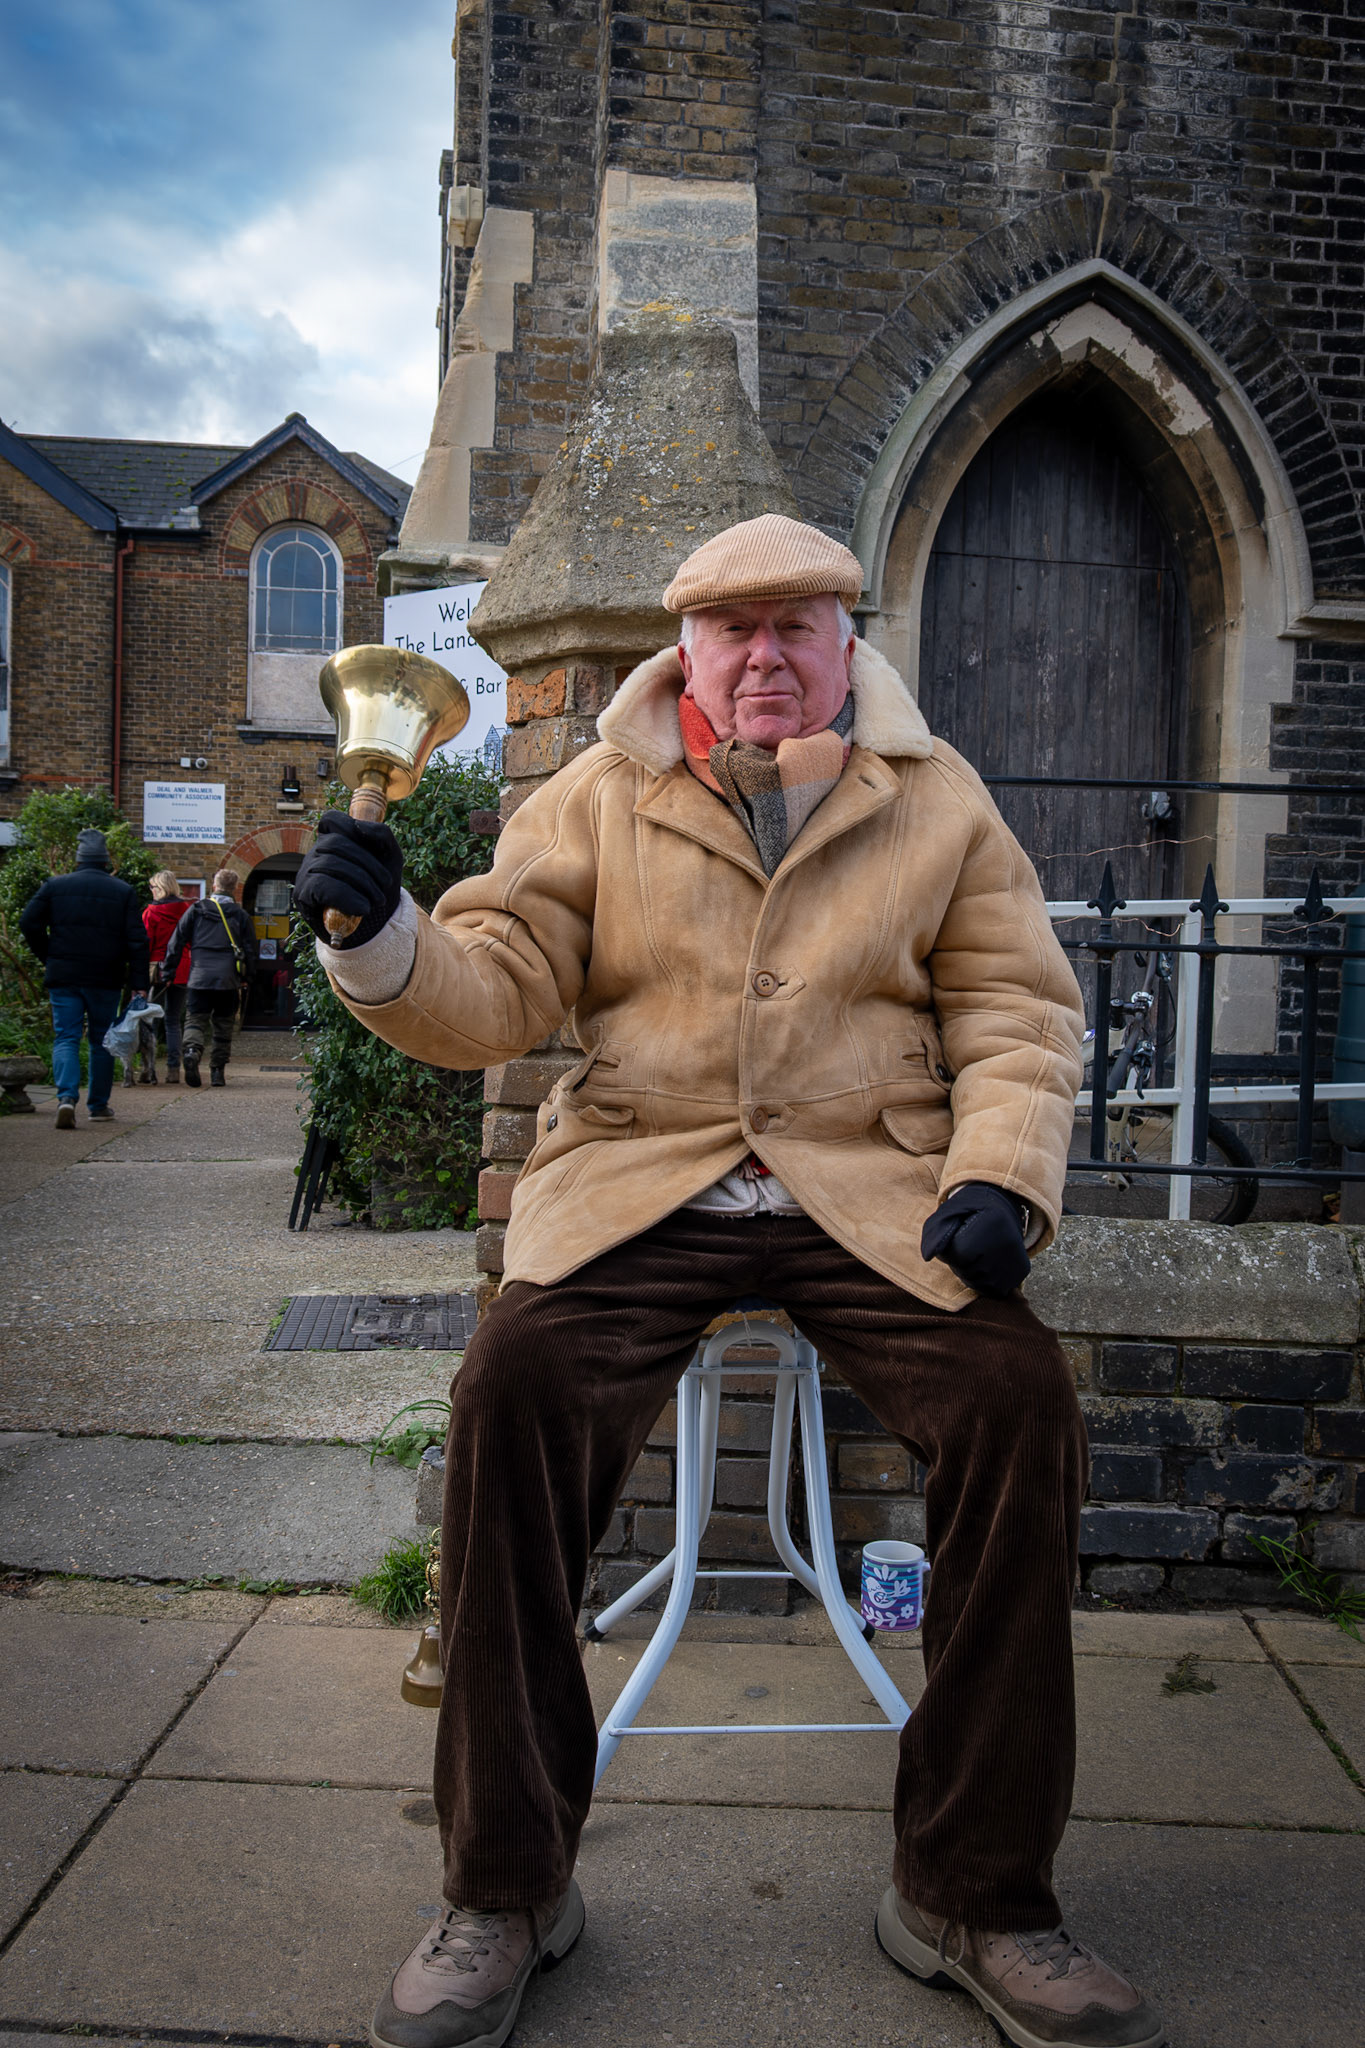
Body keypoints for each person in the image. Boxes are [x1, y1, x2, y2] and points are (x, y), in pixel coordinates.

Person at [294, 514, 1163, 2048]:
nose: (764, 656)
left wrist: (1000, 1179)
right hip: (644, 1175)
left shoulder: (940, 798)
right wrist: (380, 939)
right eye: (731, 630)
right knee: (509, 1391)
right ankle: (505, 1884)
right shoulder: (596, 793)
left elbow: (1019, 1012)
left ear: (846, 643)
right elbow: (495, 990)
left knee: (1019, 1403)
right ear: (681, 649)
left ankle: (975, 1890)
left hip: (874, 1188)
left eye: (795, 628)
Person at [20, 827, 150, 1128]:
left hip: (64, 975)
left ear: (78, 859)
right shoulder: (122, 891)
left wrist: (48, 955)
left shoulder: (55, 886)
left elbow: (29, 923)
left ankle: (66, 1098)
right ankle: (98, 1106)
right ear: (106, 860)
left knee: (66, 1036)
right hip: (105, 977)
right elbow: (137, 941)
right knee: (101, 1039)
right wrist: (139, 983)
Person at [161, 868, 257, 1087]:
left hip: (199, 977)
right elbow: (251, 949)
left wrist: (168, 973)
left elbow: (175, 943)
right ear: (234, 888)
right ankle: (217, 1072)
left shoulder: (196, 910)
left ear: (214, 886)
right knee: (223, 1026)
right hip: (228, 980)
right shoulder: (240, 915)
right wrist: (248, 977)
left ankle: (193, 1051)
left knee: (195, 1020)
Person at [140, 869, 192, 1083]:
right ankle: (173, 1070)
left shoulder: (150, 912)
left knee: (150, 1019)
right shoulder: (186, 909)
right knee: (173, 1020)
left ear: (160, 888)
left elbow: (146, 943)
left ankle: (149, 1069)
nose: (151, 891)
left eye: (153, 887)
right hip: (182, 968)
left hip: (157, 969)